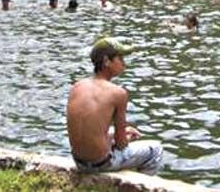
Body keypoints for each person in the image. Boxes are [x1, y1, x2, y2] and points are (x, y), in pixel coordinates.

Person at [66, 37, 163, 174]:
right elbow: (122, 144)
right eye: (120, 59)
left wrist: (114, 134)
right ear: (106, 61)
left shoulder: (77, 87)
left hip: (79, 162)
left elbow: (87, 132)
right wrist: (125, 137)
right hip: (100, 164)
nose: (124, 64)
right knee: (156, 149)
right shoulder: (118, 93)